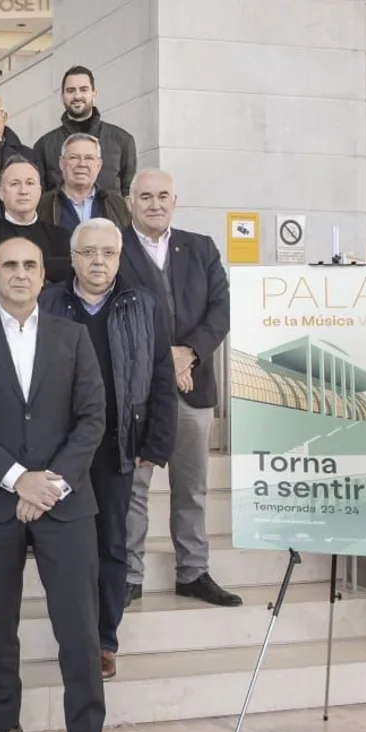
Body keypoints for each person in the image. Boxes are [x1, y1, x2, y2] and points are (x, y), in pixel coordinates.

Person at [0, 236, 121, 732]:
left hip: (65, 503)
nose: (19, 274)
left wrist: (47, 484)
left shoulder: (73, 338)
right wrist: (15, 478)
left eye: (28, 265)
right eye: (9, 266)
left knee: (78, 627)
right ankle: (4, 729)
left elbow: (92, 418)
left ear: (43, 276)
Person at [39, 218, 176, 680]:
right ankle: (72, 635)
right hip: (61, 449)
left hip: (118, 445)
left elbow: (160, 375)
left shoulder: (143, 305)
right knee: (68, 547)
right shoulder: (48, 302)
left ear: (120, 257)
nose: (98, 261)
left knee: (112, 544)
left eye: (108, 253)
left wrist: (156, 442)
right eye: (88, 252)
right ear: (73, 258)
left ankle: (104, 639)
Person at [116, 169, 240, 608]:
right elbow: (112, 308)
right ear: (129, 202)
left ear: (175, 200)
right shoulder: (116, 248)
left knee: (192, 486)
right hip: (138, 390)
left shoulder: (201, 248)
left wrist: (189, 353)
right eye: (145, 196)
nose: (154, 203)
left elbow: (221, 308)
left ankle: (193, 571)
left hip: (193, 384)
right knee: (134, 485)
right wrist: (161, 358)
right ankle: (129, 575)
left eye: (162, 196)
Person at [0, 159, 71, 317]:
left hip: (51, 323)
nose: (23, 191)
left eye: (29, 183)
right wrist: (46, 270)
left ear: (39, 191)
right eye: (14, 184)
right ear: (1, 193)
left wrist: (7, 270)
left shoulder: (61, 236)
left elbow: (68, 276)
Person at [34, 66, 138, 195]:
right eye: (70, 91)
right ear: (62, 97)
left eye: (83, 90)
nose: (77, 96)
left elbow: (128, 194)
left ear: (94, 94)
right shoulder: (44, 146)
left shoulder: (122, 140)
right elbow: (40, 197)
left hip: (109, 215)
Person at [42, 134, 130, 232]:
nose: (82, 164)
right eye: (74, 157)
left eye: (89, 158)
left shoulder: (118, 205)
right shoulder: (42, 205)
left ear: (99, 165)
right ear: (62, 163)